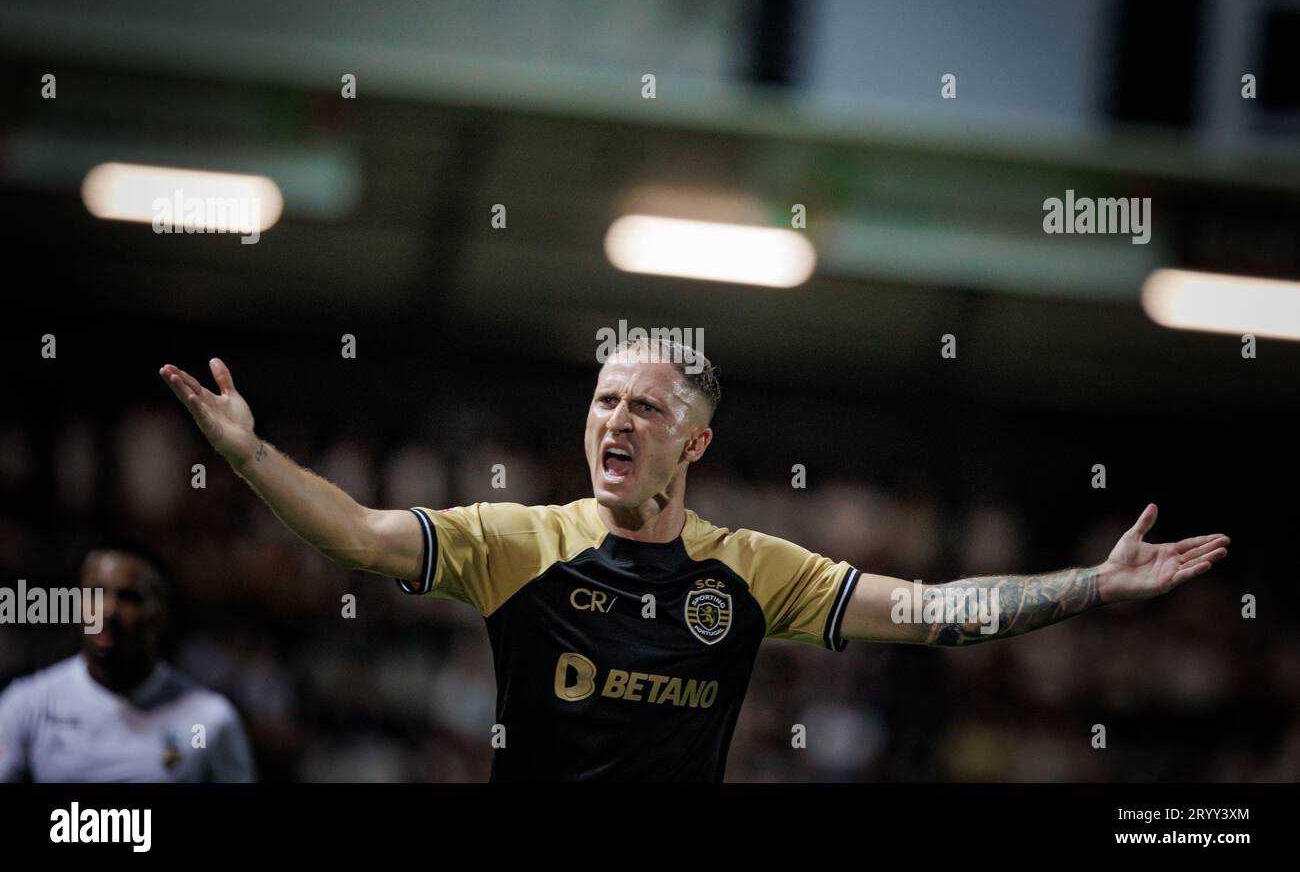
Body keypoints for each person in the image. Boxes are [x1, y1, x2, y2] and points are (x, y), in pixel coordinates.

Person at [157, 339, 1228, 780]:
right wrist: (249, 455)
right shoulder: (515, 540)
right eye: (603, 400)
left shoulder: (754, 571)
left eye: (645, 407)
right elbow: (352, 529)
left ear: (694, 443)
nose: (615, 420)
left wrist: (1092, 582)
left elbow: (937, 609)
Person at [0, 545, 255, 782]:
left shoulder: (210, 720)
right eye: (95, 593)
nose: (108, 610)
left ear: (160, 613)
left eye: (128, 597)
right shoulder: (28, 704)